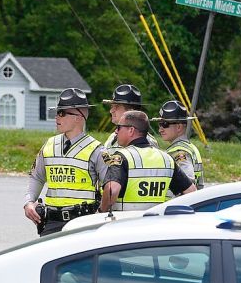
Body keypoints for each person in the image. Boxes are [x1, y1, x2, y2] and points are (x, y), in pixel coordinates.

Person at [25, 88, 107, 236]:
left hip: (83, 221)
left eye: (62, 113)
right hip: (51, 222)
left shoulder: (97, 150)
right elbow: (36, 176)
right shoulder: (49, 144)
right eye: (57, 112)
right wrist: (29, 202)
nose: (57, 117)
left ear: (79, 117)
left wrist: (101, 213)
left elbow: (109, 187)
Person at [100, 110, 196, 212]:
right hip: (155, 220)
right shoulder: (166, 159)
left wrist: (101, 211)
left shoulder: (122, 157)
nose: (116, 131)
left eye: (119, 127)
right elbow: (191, 191)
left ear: (131, 130)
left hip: (126, 220)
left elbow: (112, 190)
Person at [154, 100, 204, 188]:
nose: (160, 129)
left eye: (165, 124)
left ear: (179, 127)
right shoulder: (189, 147)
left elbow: (188, 182)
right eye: (159, 124)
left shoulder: (179, 152)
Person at [102, 83, 158, 148]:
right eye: (112, 106)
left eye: (116, 106)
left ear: (131, 111)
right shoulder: (112, 137)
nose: (111, 111)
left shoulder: (146, 141)